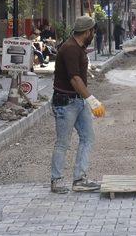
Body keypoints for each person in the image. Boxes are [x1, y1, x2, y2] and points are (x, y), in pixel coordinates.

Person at [50, 15, 106, 194]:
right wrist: (92, 100)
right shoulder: (70, 49)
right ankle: (56, 180)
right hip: (65, 103)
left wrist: (85, 100)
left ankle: (79, 179)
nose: (93, 35)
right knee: (63, 143)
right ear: (87, 31)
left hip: (77, 101)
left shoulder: (78, 47)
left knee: (88, 137)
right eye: (93, 31)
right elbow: (74, 79)